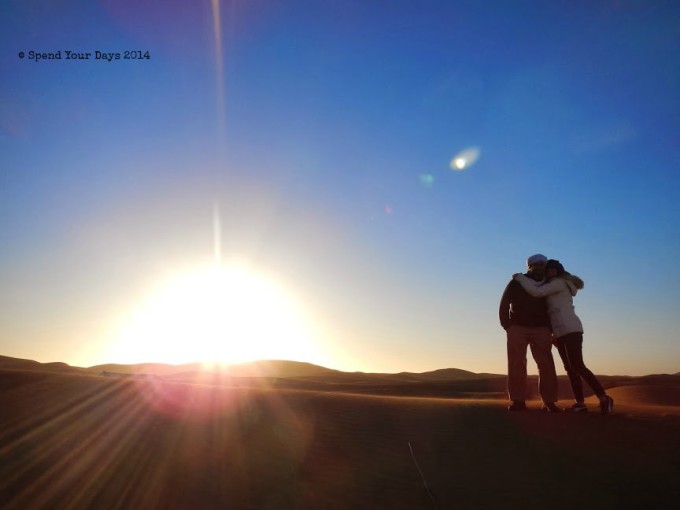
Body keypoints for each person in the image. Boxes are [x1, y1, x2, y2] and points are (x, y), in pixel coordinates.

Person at [513, 259, 614, 414]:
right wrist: (554, 333)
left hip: (570, 329)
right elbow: (541, 293)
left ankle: (604, 397)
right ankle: (580, 403)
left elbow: (536, 291)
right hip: (560, 332)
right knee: (570, 369)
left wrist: (520, 278)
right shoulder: (552, 284)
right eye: (549, 269)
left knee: (577, 365)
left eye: (554, 269)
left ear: (559, 271)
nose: (551, 271)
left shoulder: (559, 283)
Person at [499, 254, 560, 412]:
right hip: (517, 328)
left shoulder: (549, 283)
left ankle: (549, 401)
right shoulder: (516, 282)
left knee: (546, 364)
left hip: (542, 328)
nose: (540, 267)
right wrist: (507, 325)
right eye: (537, 264)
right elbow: (505, 302)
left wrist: (550, 328)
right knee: (517, 364)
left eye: (543, 264)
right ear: (530, 266)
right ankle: (518, 400)